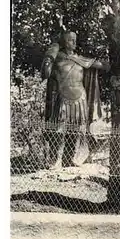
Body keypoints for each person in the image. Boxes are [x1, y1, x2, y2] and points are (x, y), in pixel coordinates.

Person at [41, 31, 109, 169]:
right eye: (70, 40)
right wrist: (50, 55)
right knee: (59, 130)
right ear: (64, 41)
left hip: (80, 98)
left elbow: (104, 66)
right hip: (63, 97)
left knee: (77, 130)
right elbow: (46, 72)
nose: (74, 42)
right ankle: (56, 160)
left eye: (75, 40)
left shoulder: (81, 59)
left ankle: (71, 159)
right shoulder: (57, 57)